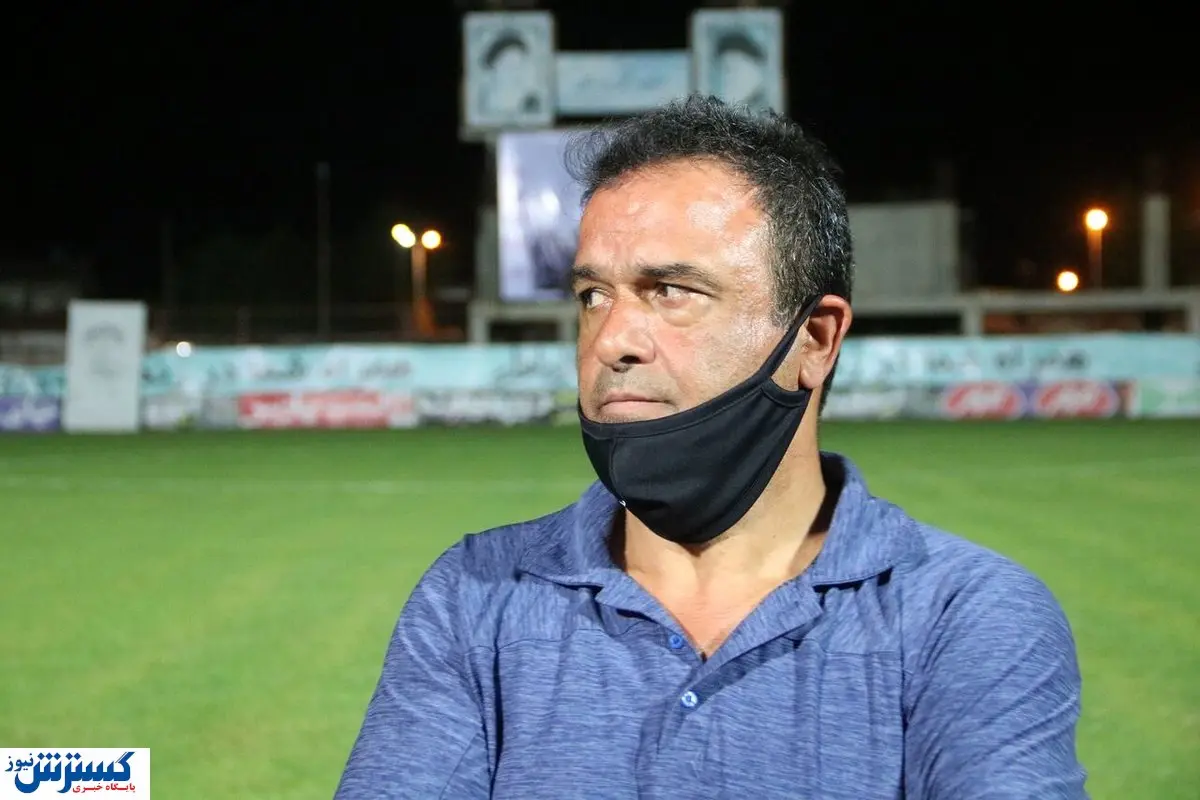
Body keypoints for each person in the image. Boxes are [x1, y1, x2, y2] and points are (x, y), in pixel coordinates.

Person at [334, 96, 1088, 799]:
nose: (612, 339)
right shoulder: (474, 596)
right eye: (594, 295)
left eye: (671, 291)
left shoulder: (967, 615)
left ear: (814, 339)